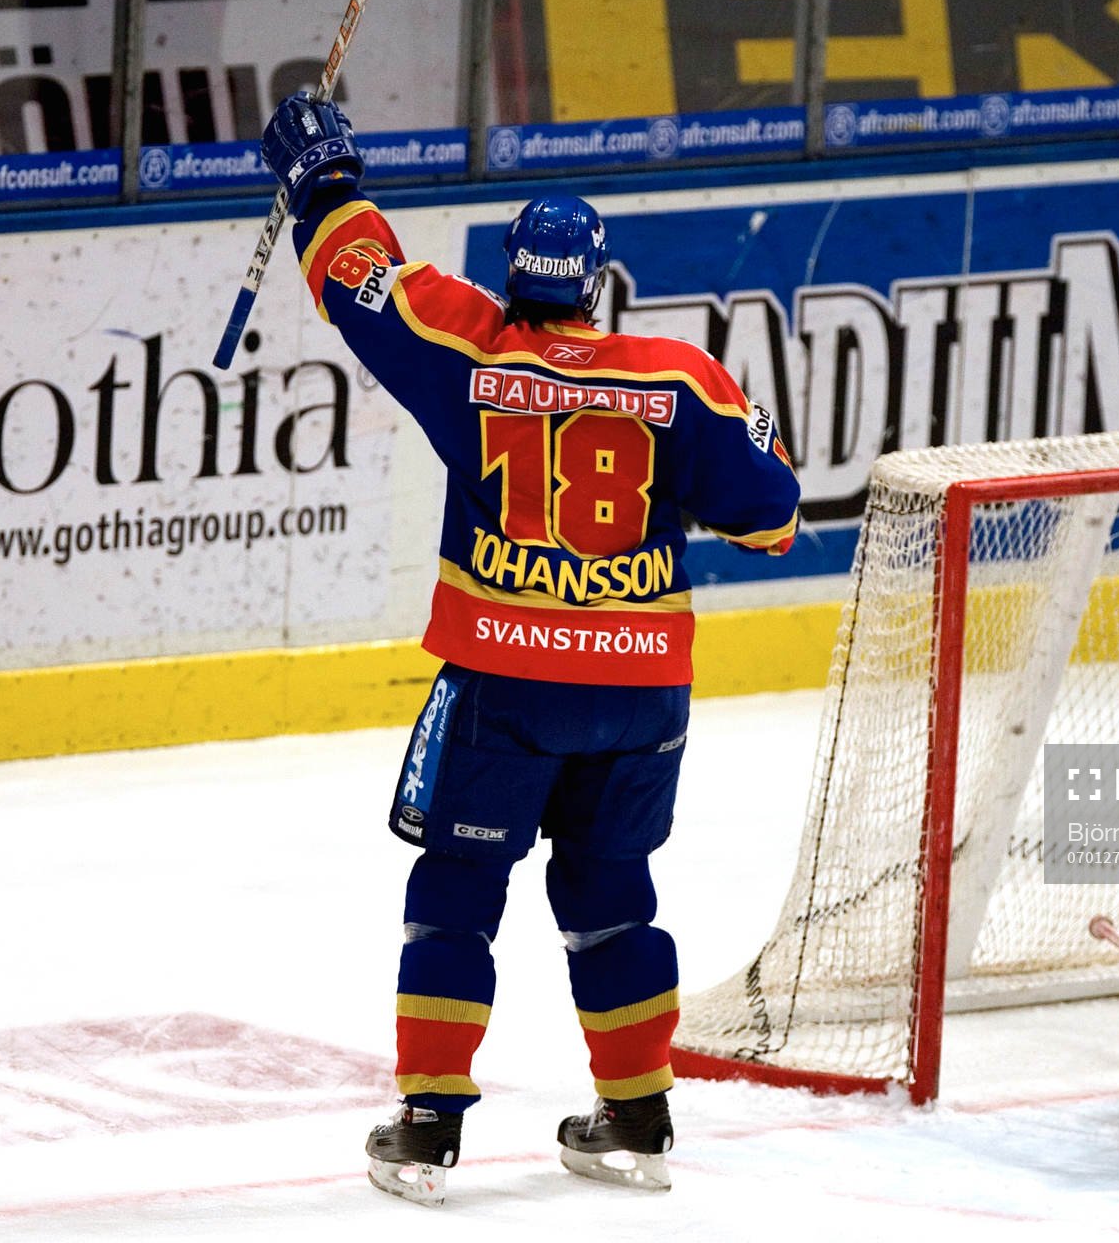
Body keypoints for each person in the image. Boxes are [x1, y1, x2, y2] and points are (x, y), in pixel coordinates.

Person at [259, 91, 802, 1204]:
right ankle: (640, 1117)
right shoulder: (680, 377)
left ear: (513, 272)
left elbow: (363, 281)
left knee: (457, 887)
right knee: (615, 894)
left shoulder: (465, 348)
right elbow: (775, 513)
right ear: (600, 279)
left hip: (507, 685)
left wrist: (323, 176)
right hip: (641, 695)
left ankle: (426, 1125)